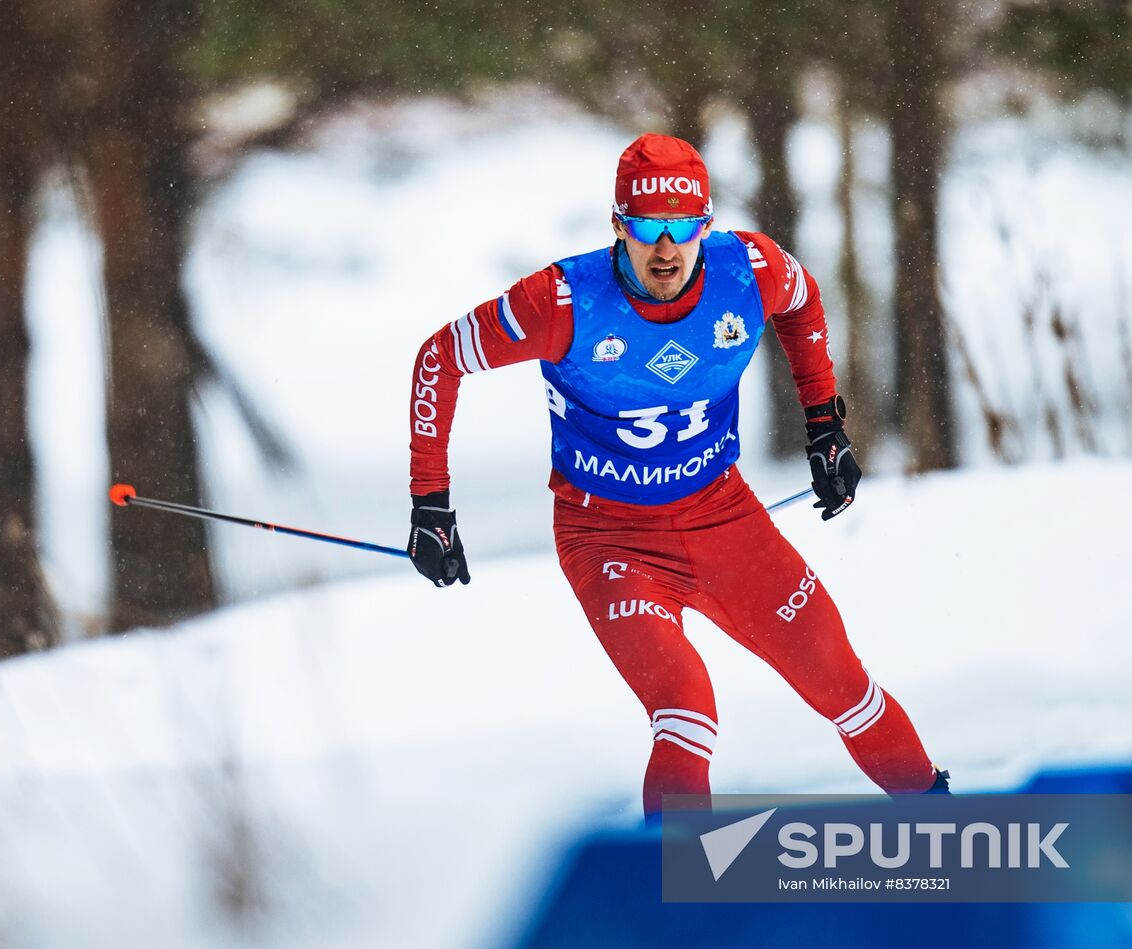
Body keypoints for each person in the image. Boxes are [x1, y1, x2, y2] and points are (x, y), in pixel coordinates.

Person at [406, 133, 948, 817]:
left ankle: (948, 835)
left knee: (843, 683)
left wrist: (824, 427)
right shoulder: (562, 302)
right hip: (610, 540)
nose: (666, 248)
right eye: (647, 228)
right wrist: (431, 503)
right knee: (686, 707)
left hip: (724, 518)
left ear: (705, 224)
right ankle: (676, 889)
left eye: (683, 227)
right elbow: (439, 358)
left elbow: (804, 304)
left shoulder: (749, 270)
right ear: (618, 226)